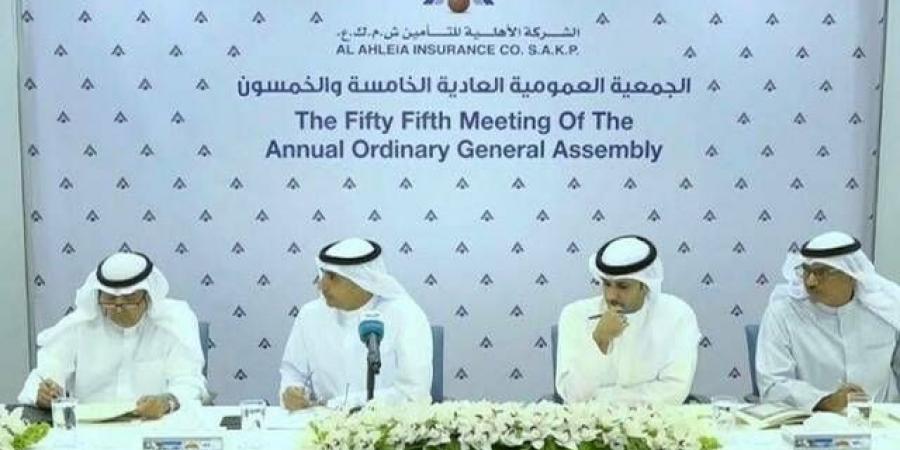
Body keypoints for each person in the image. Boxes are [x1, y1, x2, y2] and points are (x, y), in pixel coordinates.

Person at [18, 252, 207, 419]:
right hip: (90, 432)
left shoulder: (174, 323)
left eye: (129, 299)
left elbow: (190, 382)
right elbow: (42, 377)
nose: (118, 308)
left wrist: (167, 401)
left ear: (147, 297)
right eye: (109, 299)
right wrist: (42, 393)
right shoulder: (78, 325)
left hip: (155, 427)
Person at [280, 238, 432, 410]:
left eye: (332, 277)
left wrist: (341, 404)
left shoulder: (406, 315)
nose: (321, 285)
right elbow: (293, 373)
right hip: (319, 422)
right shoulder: (310, 315)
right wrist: (292, 392)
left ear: (361, 281)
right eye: (323, 274)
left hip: (386, 423)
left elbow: (413, 394)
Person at [757, 231, 900, 411]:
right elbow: (772, 385)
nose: (810, 282)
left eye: (821, 273)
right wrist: (825, 401)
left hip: (883, 420)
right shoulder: (782, 314)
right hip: (812, 419)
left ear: (850, 274)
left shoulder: (887, 309)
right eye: (806, 271)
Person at [555, 235, 701, 404]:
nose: (611, 295)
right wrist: (599, 341)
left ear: (645, 286)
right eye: (606, 284)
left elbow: (673, 391)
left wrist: (604, 398)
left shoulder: (677, 315)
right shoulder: (576, 315)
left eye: (623, 286)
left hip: (654, 418)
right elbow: (573, 396)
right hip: (587, 420)